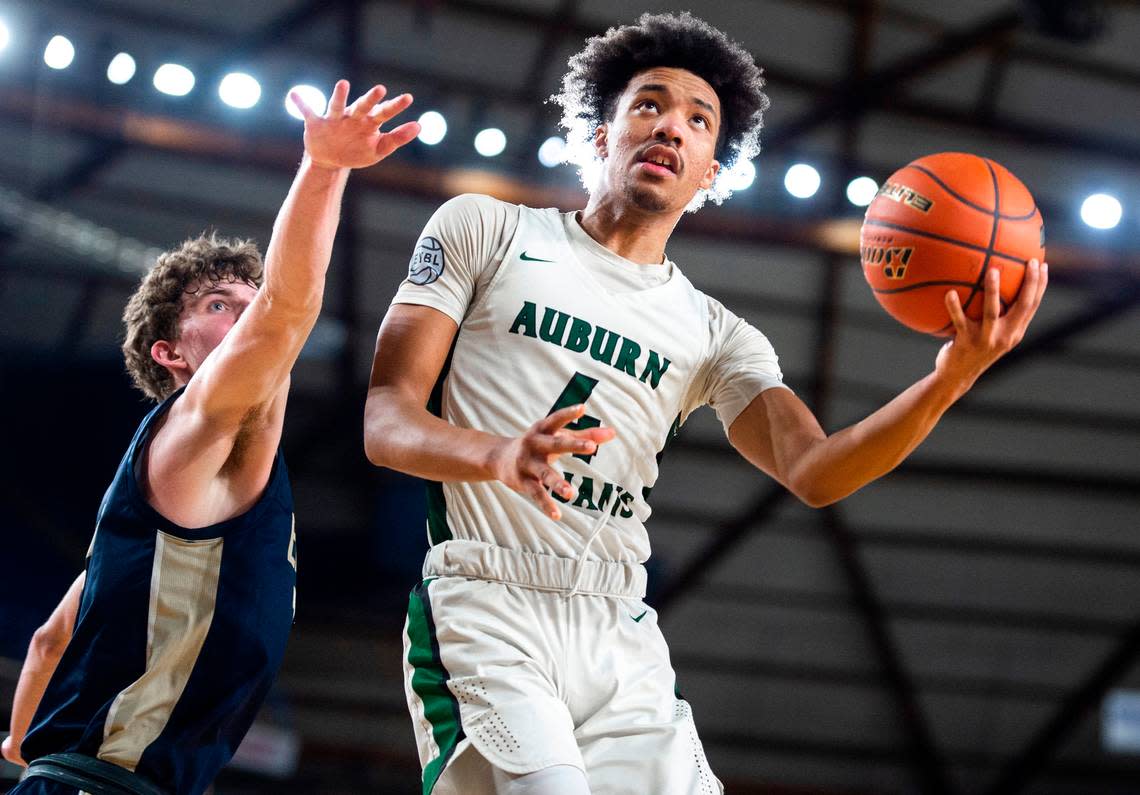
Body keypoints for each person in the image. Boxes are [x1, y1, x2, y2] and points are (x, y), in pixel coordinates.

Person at [363, 12, 1048, 795]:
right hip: (488, 603)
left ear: (711, 174)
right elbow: (385, 418)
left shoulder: (717, 334)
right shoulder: (485, 228)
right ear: (601, 133)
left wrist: (951, 378)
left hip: (618, 623)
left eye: (699, 120)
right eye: (648, 103)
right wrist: (497, 454)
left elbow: (816, 472)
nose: (671, 127)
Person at [2, 80, 420, 795]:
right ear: (171, 353)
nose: (249, 317)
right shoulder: (196, 429)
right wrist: (324, 168)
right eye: (222, 305)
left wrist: (20, 743)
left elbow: (48, 640)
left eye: (248, 301)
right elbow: (290, 306)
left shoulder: (146, 523)